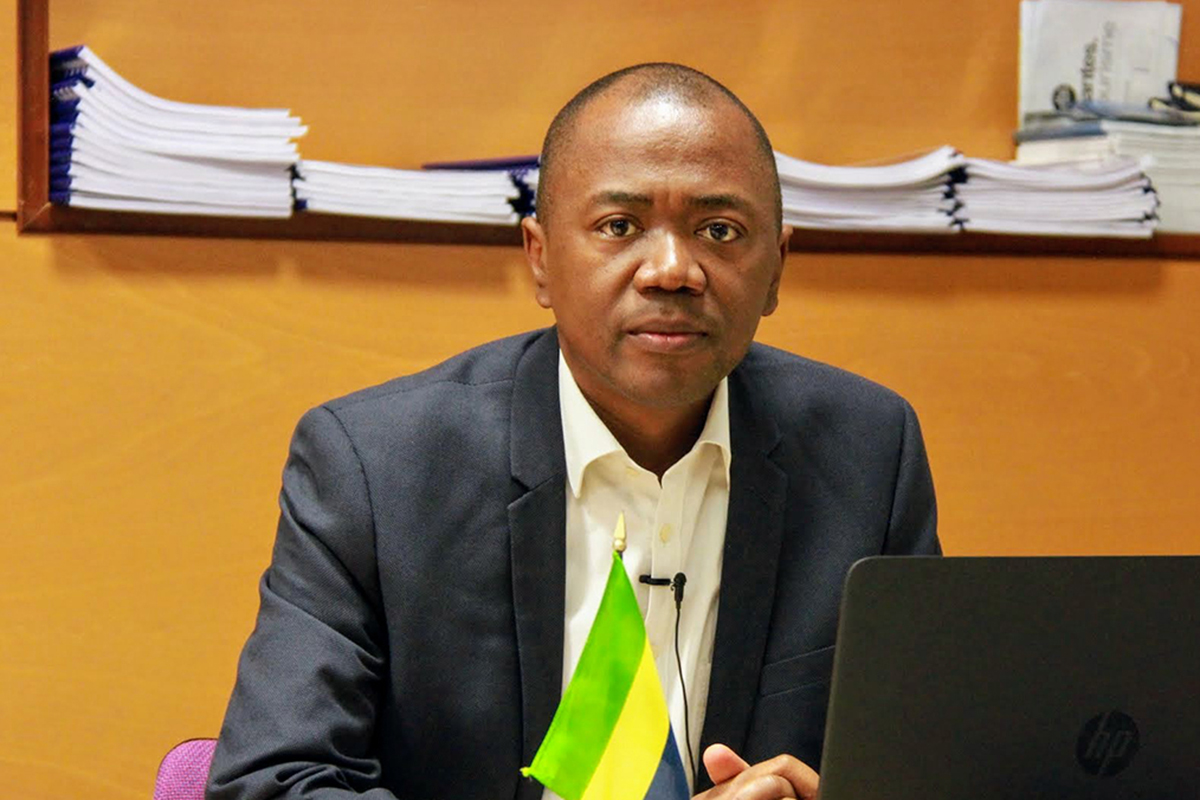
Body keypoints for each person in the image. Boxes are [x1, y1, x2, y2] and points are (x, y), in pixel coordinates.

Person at [206, 63, 939, 800]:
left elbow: (920, 763)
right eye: (619, 227)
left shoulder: (869, 454)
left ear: (777, 268)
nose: (672, 269)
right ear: (541, 259)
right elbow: (272, 782)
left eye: (720, 231)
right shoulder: (374, 468)